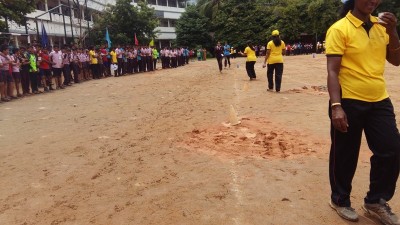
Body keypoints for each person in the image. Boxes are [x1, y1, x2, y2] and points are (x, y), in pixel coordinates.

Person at [326, 0, 400, 224]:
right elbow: (332, 71)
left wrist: (393, 31)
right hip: (348, 100)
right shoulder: (340, 28)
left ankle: (375, 200)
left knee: (391, 149)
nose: (372, 1)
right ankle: (340, 199)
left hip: (379, 99)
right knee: (345, 153)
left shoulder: (381, 26)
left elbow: (396, 60)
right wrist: (336, 106)